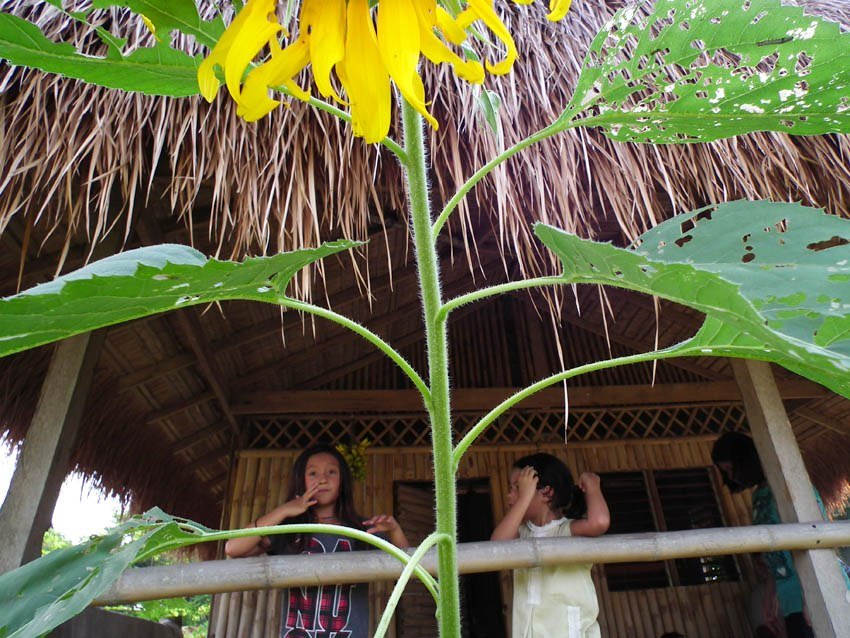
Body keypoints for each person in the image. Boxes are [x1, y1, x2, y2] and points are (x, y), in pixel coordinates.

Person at [225, 444, 408, 638]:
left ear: (342, 482)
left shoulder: (362, 531)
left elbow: (409, 566)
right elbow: (233, 547)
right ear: (301, 481)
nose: (322, 479)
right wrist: (285, 510)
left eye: (331, 472)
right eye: (313, 473)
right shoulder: (288, 531)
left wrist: (395, 530)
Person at [491, 453, 610, 638]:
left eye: (517, 488)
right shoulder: (520, 534)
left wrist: (592, 486)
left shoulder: (566, 531)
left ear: (546, 493)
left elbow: (600, 522)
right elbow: (496, 549)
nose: (509, 495)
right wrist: (524, 498)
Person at [711, 432, 814, 638]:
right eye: (726, 472)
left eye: (732, 469)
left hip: (812, 592)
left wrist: (809, 593)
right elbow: (774, 556)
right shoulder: (760, 495)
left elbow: (812, 537)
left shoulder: (789, 486)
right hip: (788, 598)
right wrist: (770, 591)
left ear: (746, 461)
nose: (731, 477)